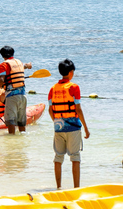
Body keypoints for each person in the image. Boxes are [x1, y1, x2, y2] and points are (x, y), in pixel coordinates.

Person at [48, 59, 89, 189]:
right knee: (75, 157)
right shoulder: (74, 87)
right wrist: (86, 129)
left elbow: (50, 110)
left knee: (58, 157)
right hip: (73, 127)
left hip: (58, 127)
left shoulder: (52, 89)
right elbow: (78, 109)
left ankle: (58, 187)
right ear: (71, 72)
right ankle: (76, 188)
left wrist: (57, 121)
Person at [0, 46, 32, 134]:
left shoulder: (3, 65)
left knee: (10, 120)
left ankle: (11, 139)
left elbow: (1, 80)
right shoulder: (19, 62)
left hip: (12, 96)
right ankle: (22, 138)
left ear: (2, 55)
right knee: (21, 120)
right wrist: (29, 65)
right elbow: (26, 66)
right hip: (23, 96)